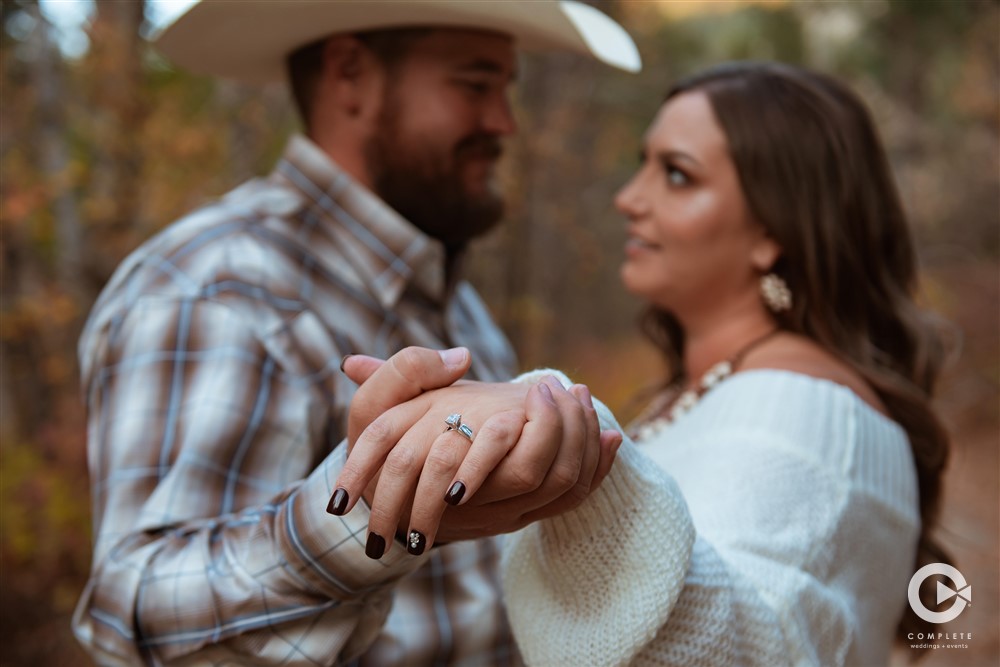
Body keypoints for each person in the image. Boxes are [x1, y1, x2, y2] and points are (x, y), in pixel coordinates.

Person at [71, 2, 640, 664]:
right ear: (350, 75)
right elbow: (136, 618)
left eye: (506, 89)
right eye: (475, 84)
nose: (504, 121)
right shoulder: (220, 287)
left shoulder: (460, 306)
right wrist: (363, 510)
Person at [336, 61, 952, 666]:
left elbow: (741, 649)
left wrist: (549, 421)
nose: (629, 199)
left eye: (678, 175)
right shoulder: (728, 390)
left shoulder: (799, 406)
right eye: (643, 166)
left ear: (774, 230)